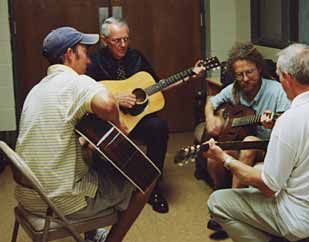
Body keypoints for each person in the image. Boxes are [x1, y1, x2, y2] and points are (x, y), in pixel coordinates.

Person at [15, 26, 155, 242]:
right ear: (70, 54)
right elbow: (107, 103)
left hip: (29, 195)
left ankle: (91, 235)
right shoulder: (76, 82)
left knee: (89, 161)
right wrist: (118, 124)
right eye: (85, 53)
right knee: (146, 178)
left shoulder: (36, 89)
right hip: (59, 202)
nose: (88, 61)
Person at [205, 43, 309, 242]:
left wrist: (224, 158)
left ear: (288, 78)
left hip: (299, 220)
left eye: (280, 76)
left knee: (217, 201)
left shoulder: (288, 120)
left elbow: (268, 186)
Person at [87, 17, 190, 213]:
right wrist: (115, 99)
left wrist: (188, 76)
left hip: (135, 118)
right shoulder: (94, 62)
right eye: (117, 40)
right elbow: (85, 95)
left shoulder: (136, 57)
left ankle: (152, 187)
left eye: (126, 39)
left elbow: (157, 85)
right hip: (105, 120)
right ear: (104, 39)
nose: (123, 45)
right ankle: (107, 190)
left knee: (158, 127)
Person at [202, 42, 290, 190]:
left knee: (249, 142)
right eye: (239, 75)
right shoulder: (234, 89)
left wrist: (274, 123)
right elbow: (211, 102)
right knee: (214, 158)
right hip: (240, 143)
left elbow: (288, 124)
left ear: (259, 69)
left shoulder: (277, 91)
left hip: (267, 145)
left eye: (249, 72)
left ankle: (236, 200)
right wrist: (210, 118)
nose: (245, 79)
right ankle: (220, 195)